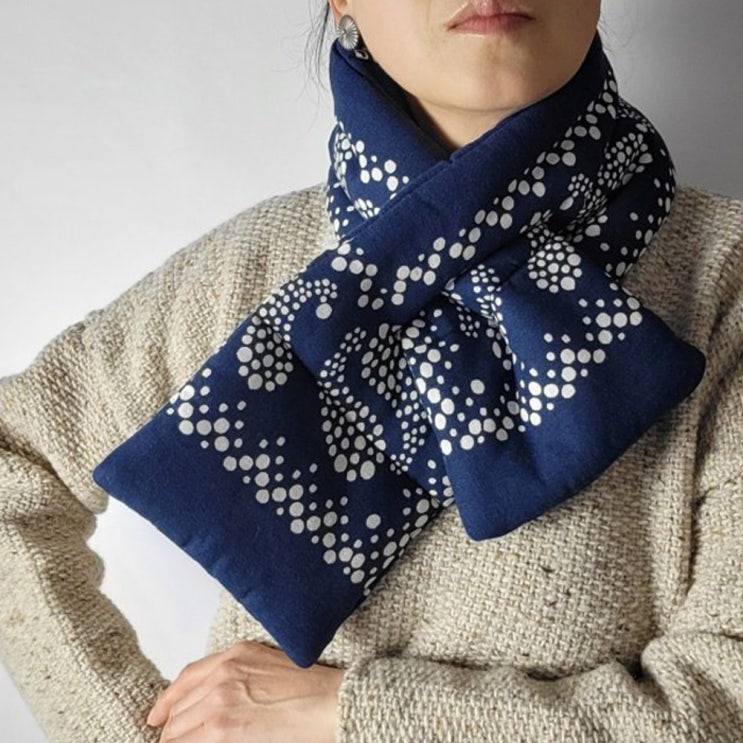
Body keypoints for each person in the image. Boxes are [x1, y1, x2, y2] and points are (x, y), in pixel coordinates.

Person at [1, 1, 741, 741]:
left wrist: (345, 713)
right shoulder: (252, 267)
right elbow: (13, 459)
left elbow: (722, 708)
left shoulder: (723, 281)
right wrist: (130, 728)